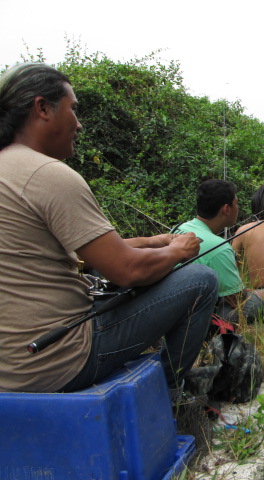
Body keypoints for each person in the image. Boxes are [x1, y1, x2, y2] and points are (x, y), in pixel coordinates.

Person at [0, 62, 218, 401]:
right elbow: (127, 270)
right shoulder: (48, 174)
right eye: (73, 109)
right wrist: (178, 250)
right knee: (201, 280)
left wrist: (150, 241)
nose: (79, 123)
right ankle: (171, 392)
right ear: (43, 108)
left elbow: (77, 254)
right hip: (59, 361)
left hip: (9, 366)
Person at [173, 179, 264, 326]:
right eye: (236, 203)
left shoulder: (179, 228)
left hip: (174, 308)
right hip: (191, 318)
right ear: (226, 209)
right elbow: (237, 301)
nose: (238, 208)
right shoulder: (219, 247)